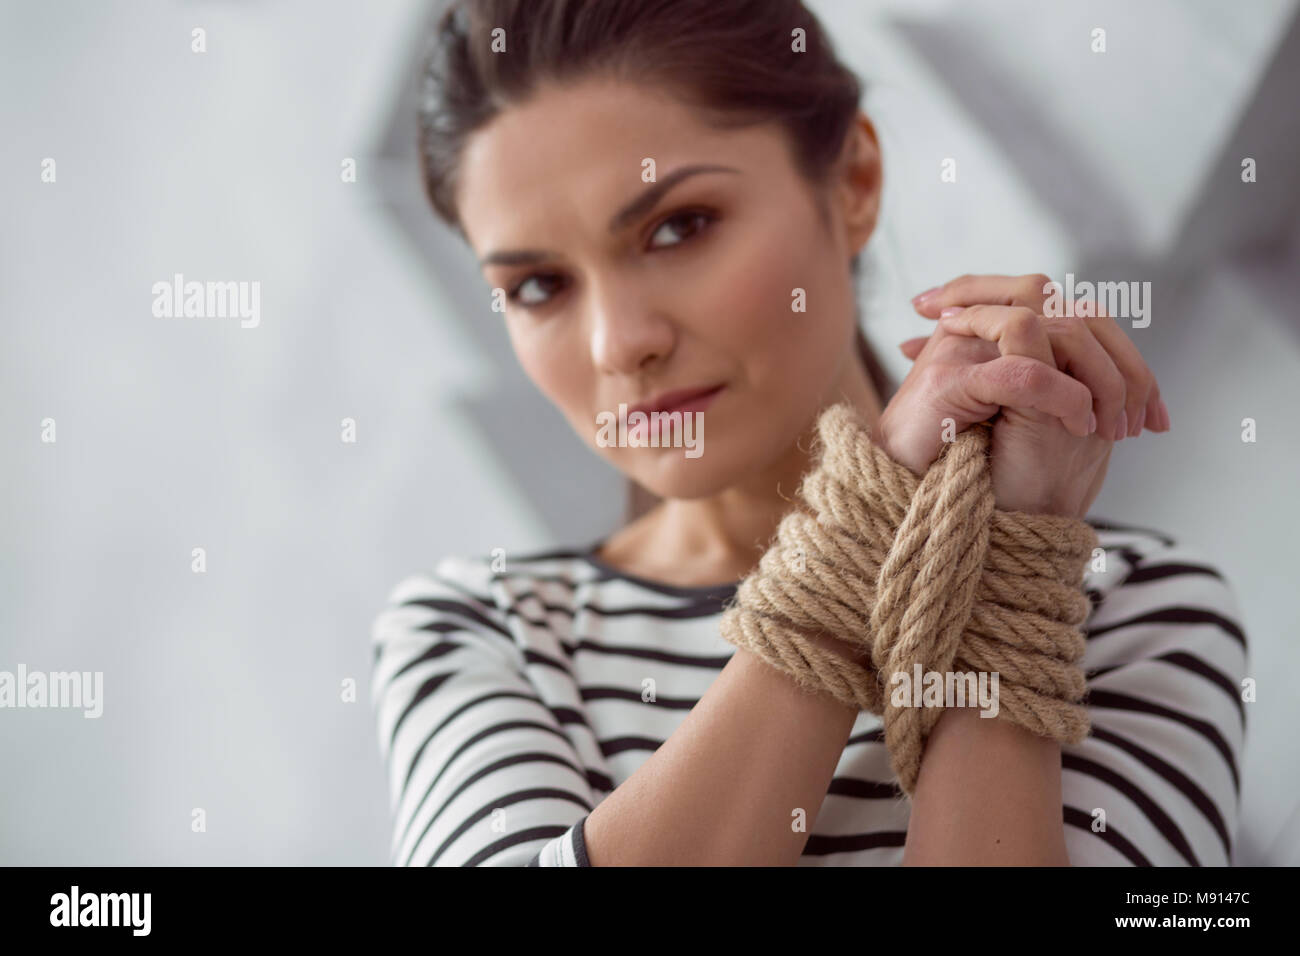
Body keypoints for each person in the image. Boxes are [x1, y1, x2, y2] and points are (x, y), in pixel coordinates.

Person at [370, 0, 1247, 866]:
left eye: (678, 227)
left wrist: (1010, 573)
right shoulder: (482, 632)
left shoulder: (1133, 611)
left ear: (854, 181)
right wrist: (859, 536)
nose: (619, 341)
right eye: (538, 287)